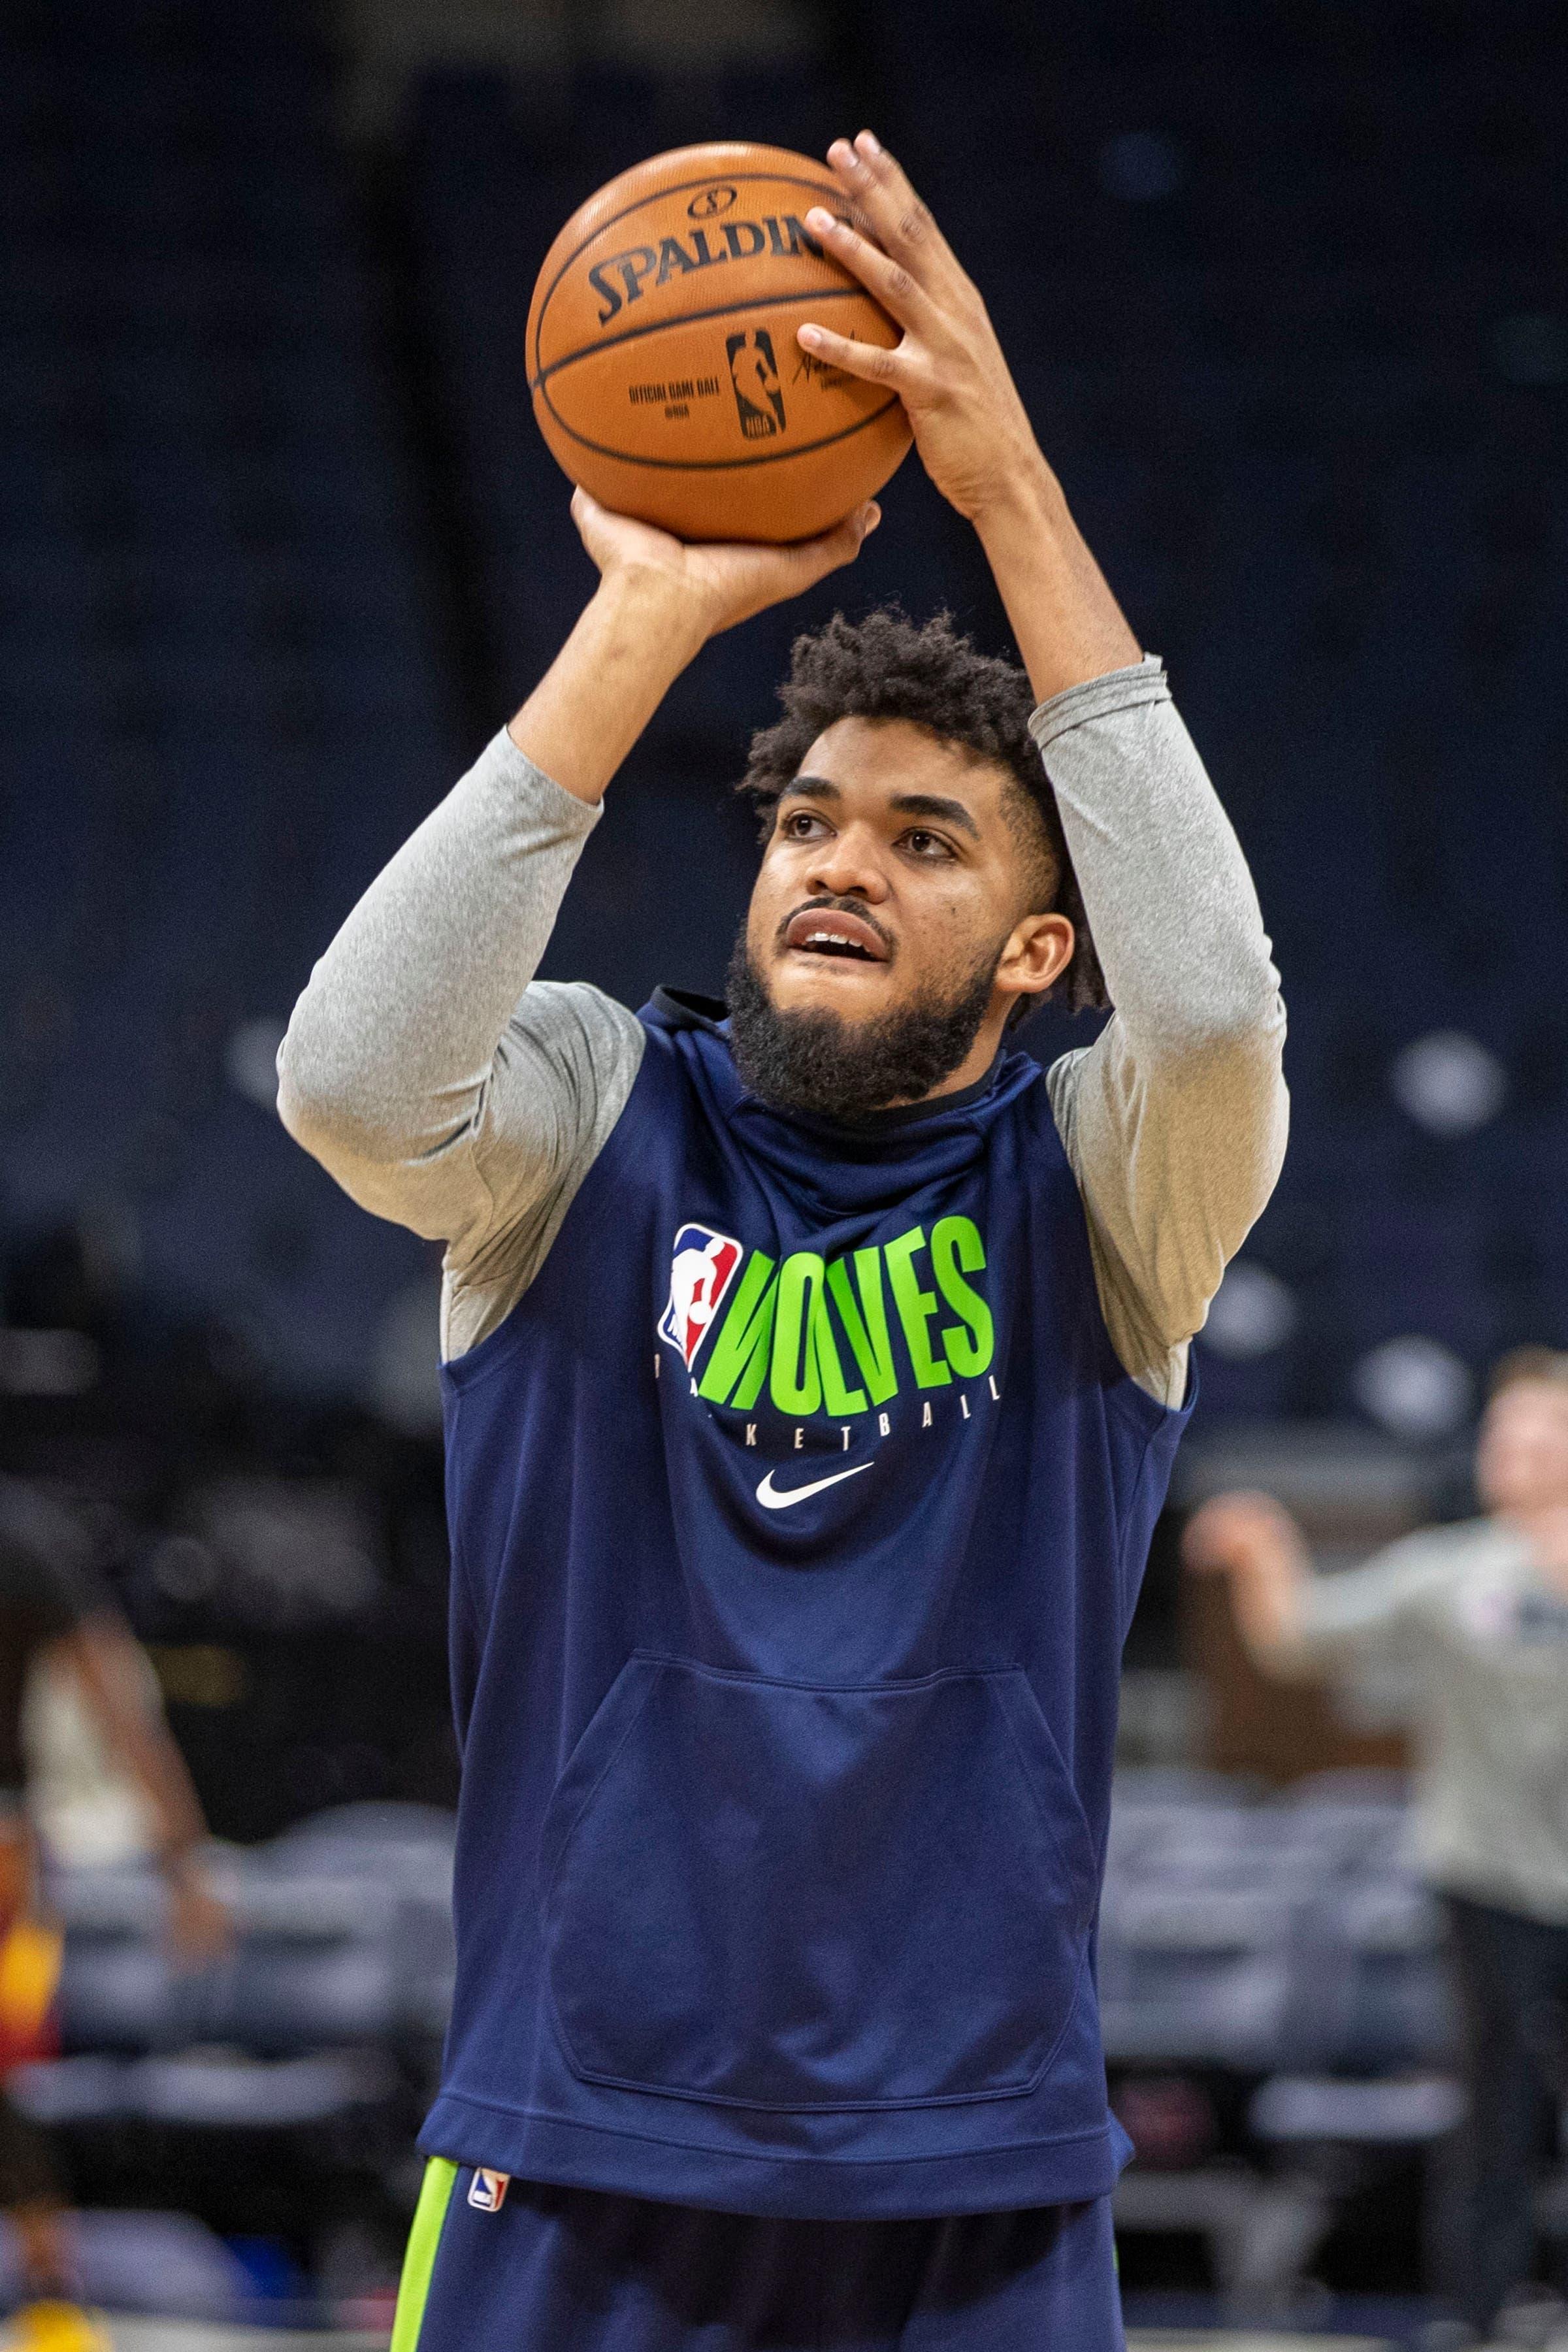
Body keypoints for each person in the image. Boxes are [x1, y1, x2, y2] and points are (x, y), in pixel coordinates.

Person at [280, 131, 1286, 2352]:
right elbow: (350, 1086)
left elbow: (1211, 1003)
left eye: (925, 840)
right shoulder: (583, 1115)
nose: (838, 862)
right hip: (575, 2140)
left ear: (1040, 944)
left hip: (981, 2173)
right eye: (809, 817)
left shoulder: (1107, 1194)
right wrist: (647, 617)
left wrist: (1005, 480)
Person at [1183, 1350, 1568, 2338]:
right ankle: (1476, 2315)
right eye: (1502, 1433)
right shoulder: (1450, 1573)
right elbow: (1301, 1637)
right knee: (1494, 2113)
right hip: (1487, 1879)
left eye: (1536, 1434)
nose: (1512, 1452)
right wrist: (1265, 1542)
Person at [0, 1477, 231, 2352]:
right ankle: (49, 2299)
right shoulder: (25, 1536)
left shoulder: (21, 1540)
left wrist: (183, 1865)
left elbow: (117, 1710)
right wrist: (185, 1867)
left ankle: (50, 2298)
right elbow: (122, 1710)